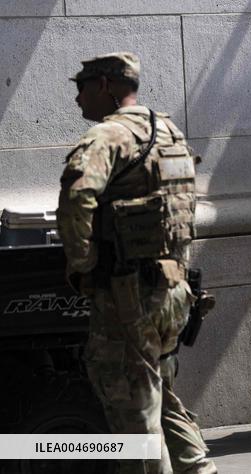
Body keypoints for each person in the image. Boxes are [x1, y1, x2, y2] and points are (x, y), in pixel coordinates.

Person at [56, 53, 215, 473]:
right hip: (174, 289)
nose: (77, 98)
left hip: (129, 292)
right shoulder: (168, 131)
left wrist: (83, 265)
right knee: (160, 393)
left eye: (82, 87)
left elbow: (76, 199)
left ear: (104, 85)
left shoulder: (108, 136)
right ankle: (198, 468)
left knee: (133, 412)